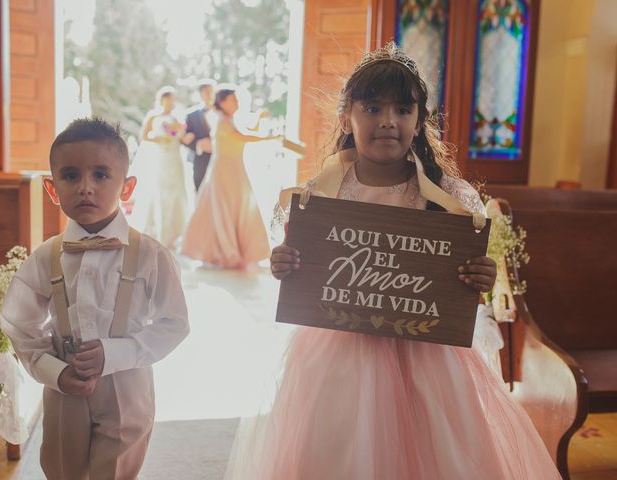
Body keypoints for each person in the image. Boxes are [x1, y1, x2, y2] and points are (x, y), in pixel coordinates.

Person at [224, 44, 561, 479]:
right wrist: (286, 265)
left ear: (419, 120)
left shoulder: (449, 198)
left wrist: (480, 277)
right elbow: (303, 267)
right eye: (372, 107)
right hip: (339, 351)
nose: (388, 120)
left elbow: (465, 280)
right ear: (348, 115)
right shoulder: (320, 195)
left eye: (403, 109)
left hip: (428, 357)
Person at [1, 118, 190, 479]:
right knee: (61, 467)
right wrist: (54, 372)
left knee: (116, 468)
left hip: (128, 382)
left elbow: (174, 323)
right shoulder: (45, 257)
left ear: (127, 186)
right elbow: (19, 324)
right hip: (64, 383)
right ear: (53, 189)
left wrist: (117, 353)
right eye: (71, 176)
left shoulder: (152, 255)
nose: (86, 188)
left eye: (101, 175)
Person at [181, 87, 276, 268]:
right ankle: (225, 250)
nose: (237, 103)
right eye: (234, 100)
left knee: (238, 206)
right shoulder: (220, 120)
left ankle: (237, 249)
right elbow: (241, 136)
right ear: (223, 102)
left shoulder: (229, 119)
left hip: (235, 168)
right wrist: (269, 138)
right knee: (224, 208)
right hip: (224, 170)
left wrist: (259, 118)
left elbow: (247, 129)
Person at [131, 86, 190, 249]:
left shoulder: (177, 118)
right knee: (160, 190)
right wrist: (159, 139)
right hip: (161, 157)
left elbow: (182, 137)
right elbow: (144, 136)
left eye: (172, 100)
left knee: (177, 189)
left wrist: (182, 134)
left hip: (175, 156)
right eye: (168, 99)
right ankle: (160, 230)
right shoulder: (153, 116)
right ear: (161, 100)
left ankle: (178, 232)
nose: (170, 103)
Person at [183, 80, 216, 191]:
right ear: (201, 94)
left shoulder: (223, 112)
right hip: (201, 162)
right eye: (207, 92)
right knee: (201, 193)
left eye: (212, 92)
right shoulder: (191, 115)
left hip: (222, 161)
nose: (210, 95)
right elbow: (184, 138)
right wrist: (199, 145)